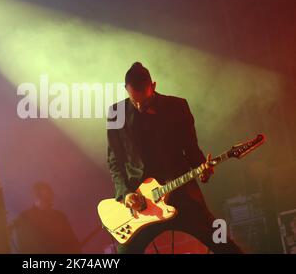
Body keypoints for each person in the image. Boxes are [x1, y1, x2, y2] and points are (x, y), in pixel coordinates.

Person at [107, 61, 242, 254]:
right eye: (133, 99)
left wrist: (203, 170)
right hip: (141, 203)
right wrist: (126, 193)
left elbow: (191, 149)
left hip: (180, 193)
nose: (139, 105)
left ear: (153, 86)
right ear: (125, 89)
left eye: (143, 101)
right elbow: (114, 161)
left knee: (225, 247)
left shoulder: (177, 106)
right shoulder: (116, 113)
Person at [12, 181, 81, 253]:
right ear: (36, 198)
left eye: (50, 197)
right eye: (46, 198)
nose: (50, 201)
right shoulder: (25, 218)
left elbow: (72, 241)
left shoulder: (60, 217)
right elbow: (24, 247)